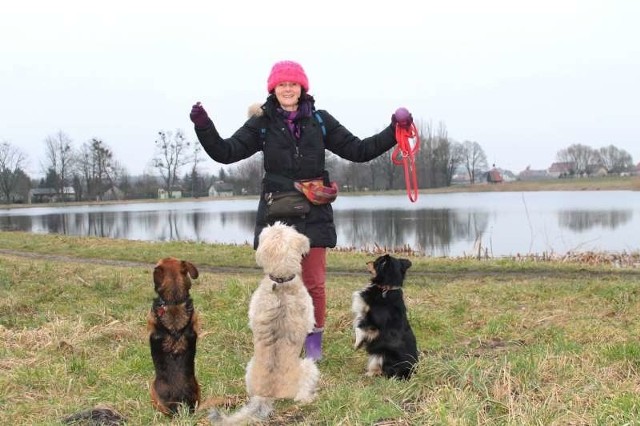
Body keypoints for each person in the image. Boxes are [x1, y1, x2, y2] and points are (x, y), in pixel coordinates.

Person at [190, 60, 413, 361]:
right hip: (277, 218)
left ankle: (313, 346)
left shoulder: (320, 121)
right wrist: (203, 125)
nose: (287, 88)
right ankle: (281, 343)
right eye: (282, 84)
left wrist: (394, 129)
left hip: (314, 212)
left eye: (293, 84)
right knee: (279, 286)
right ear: (273, 88)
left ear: (302, 87)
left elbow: (359, 150)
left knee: (315, 284)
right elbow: (225, 153)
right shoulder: (263, 122)